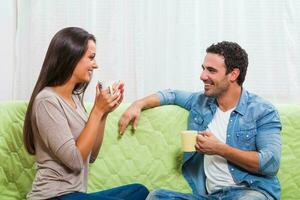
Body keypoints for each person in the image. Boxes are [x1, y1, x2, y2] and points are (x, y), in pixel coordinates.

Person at [118, 41, 282, 200]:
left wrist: (220, 149)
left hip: (250, 192)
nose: (203, 76)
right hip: (210, 196)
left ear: (233, 74)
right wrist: (138, 104)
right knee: (156, 196)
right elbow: (171, 95)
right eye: (203, 69)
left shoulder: (262, 111)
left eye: (211, 70)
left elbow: (270, 164)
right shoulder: (201, 102)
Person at [23, 27, 149, 200]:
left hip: (76, 195)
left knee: (139, 191)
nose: (95, 65)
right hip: (53, 196)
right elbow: (75, 161)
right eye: (91, 57)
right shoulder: (47, 101)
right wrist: (97, 111)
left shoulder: (75, 100)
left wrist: (104, 113)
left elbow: (91, 156)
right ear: (71, 57)